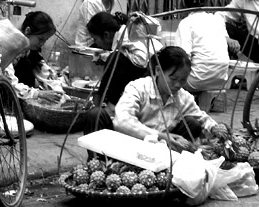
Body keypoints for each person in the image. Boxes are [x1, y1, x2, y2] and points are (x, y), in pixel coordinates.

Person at [83, 46, 227, 153]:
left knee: (193, 123)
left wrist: (217, 130)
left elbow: (202, 118)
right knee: (95, 115)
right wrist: (161, 136)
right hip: (126, 145)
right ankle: (99, 162)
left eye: (183, 80)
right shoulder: (138, 88)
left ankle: (170, 164)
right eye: (173, 78)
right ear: (158, 71)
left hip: (159, 151)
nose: (178, 84)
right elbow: (122, 121)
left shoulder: (183, 97)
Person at [86, 11, 162, 113]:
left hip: (149, 79)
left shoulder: (126, 38)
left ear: (106, 35)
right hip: (151, 77)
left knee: (114, 61)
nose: (95, 43)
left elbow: (140, 61)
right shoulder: (126, 33)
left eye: (95, 39)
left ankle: (105, 108)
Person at [170, 0, 234, 92]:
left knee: (168, 69)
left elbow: (183, 56)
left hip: (195, 81)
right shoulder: (218, 20)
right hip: (221, 80)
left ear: (185, 3)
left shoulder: (186, 23)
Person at [7, 11, 62, 103]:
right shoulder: (9, 49)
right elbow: (9, 84)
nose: (42, 44)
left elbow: (44, 71)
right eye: (40, 39)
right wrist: (39, 94)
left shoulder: (30, 50)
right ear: (27, 31)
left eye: (45, 40)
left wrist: (57, 90)